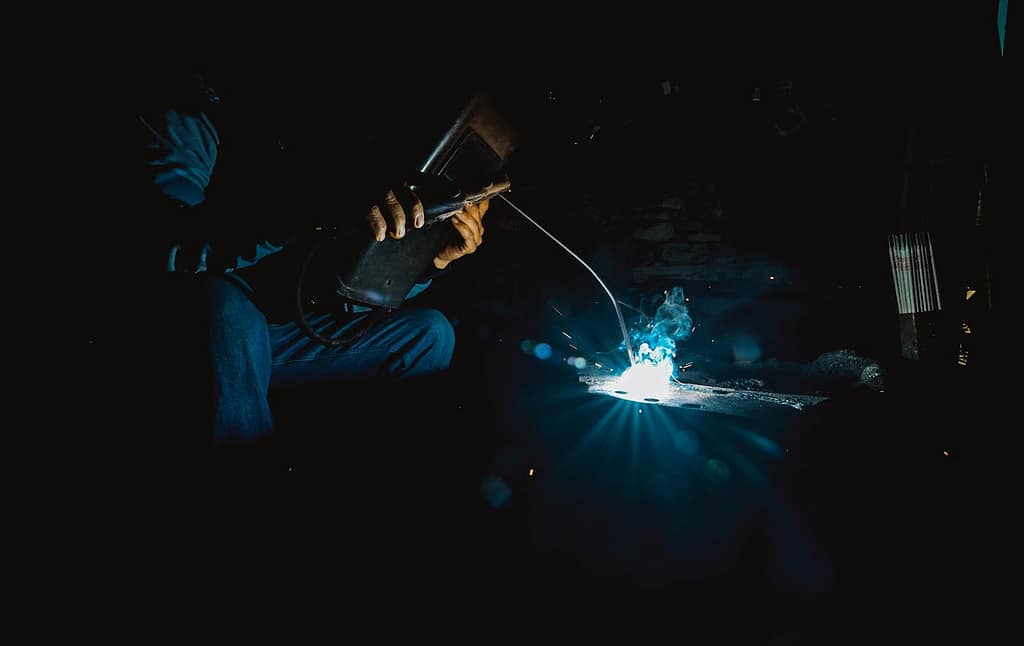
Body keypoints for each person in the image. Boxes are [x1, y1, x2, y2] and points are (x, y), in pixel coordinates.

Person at [114, 64, 492, 470]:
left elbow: (348, 283)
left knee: (429, 336)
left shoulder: (316, 125)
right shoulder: (189, 114)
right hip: (207, 324)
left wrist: (430, 260)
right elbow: (176, 253)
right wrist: (300, 212)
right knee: (226, 305)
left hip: (282, 328)